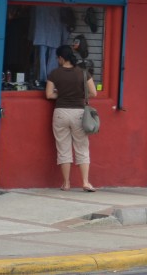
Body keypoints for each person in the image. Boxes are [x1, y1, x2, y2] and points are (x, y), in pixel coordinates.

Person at [45, 44, 97, 192]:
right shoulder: (83, 73)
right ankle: (85, 182)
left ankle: (66, 183)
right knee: (82, 147)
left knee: (63, 148)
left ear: (61, 58)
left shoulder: (54, 73)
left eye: (58, 58)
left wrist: (60, 94)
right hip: (79, 114)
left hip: (61, 112)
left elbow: (49, 95)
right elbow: (93, 93)